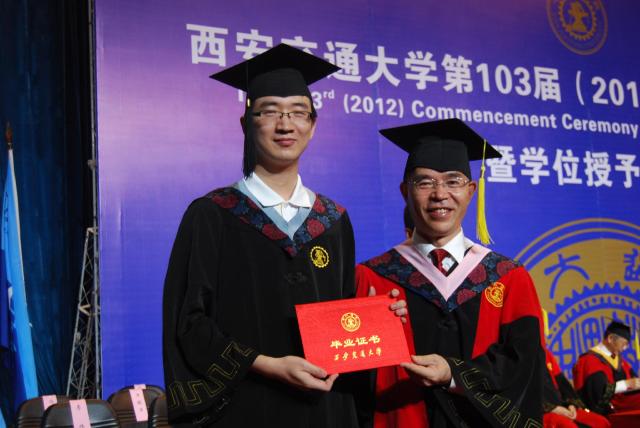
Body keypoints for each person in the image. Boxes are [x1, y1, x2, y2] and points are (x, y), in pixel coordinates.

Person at [162, 44, 362, 427]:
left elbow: (344, 320)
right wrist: (266, 365)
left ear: (313, 125)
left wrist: (381, 320)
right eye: (269, 111)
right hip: (246, 408)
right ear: (246, 123)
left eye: (298, 112)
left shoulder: (334, 221)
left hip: (324, 412)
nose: (285, 125)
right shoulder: (213, 214)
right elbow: (189, 324)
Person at [355, 118, 546, 427]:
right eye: (425, 182)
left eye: (453, 181)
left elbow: (525, 365)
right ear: (405, 191)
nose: (439, 194)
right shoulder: (372, 277)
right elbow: (351, 382)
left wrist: (454, 374)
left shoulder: (508, 278)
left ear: (471, 191)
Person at [573, 321, 640, 416]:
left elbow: (634, 381)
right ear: (610, 338)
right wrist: (626, 384)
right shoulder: (589, 360)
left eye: (627, 345)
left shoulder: (621, 362)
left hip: (622, 405)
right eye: (623, 344)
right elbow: (597, 394)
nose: (624, 348)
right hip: (604, 412)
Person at [543, 346, 610, 428]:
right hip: (541, 410)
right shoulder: (527, 356)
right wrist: (552, 408)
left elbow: (562, 383)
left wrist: (571, 404)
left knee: (601, 422)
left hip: (561, 405)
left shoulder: (546, 354)